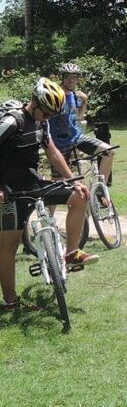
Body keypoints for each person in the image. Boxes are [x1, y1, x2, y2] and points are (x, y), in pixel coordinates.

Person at [0, 78, 97, 312]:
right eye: (45, 113)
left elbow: (53, 152)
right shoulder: (12, 122)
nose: (48, 119)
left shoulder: (42, 124)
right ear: (34, 102)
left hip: (34, 183)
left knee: (80, 197)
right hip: (10, 191)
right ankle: (11, 302)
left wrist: (74, 180)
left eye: (52, 115)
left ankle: (71, 253)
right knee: (7, 249)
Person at [49, 62, 116, 190]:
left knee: (109, 151)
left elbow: (79, 116)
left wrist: (84, 101)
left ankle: (100, 190)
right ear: (62, 78)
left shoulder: (75, 95)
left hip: (76, 137)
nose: (72, 80)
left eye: (75, 77)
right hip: (59, 144)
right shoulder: (55, 95)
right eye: (68, 77)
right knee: (58, 184)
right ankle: (50, 211)